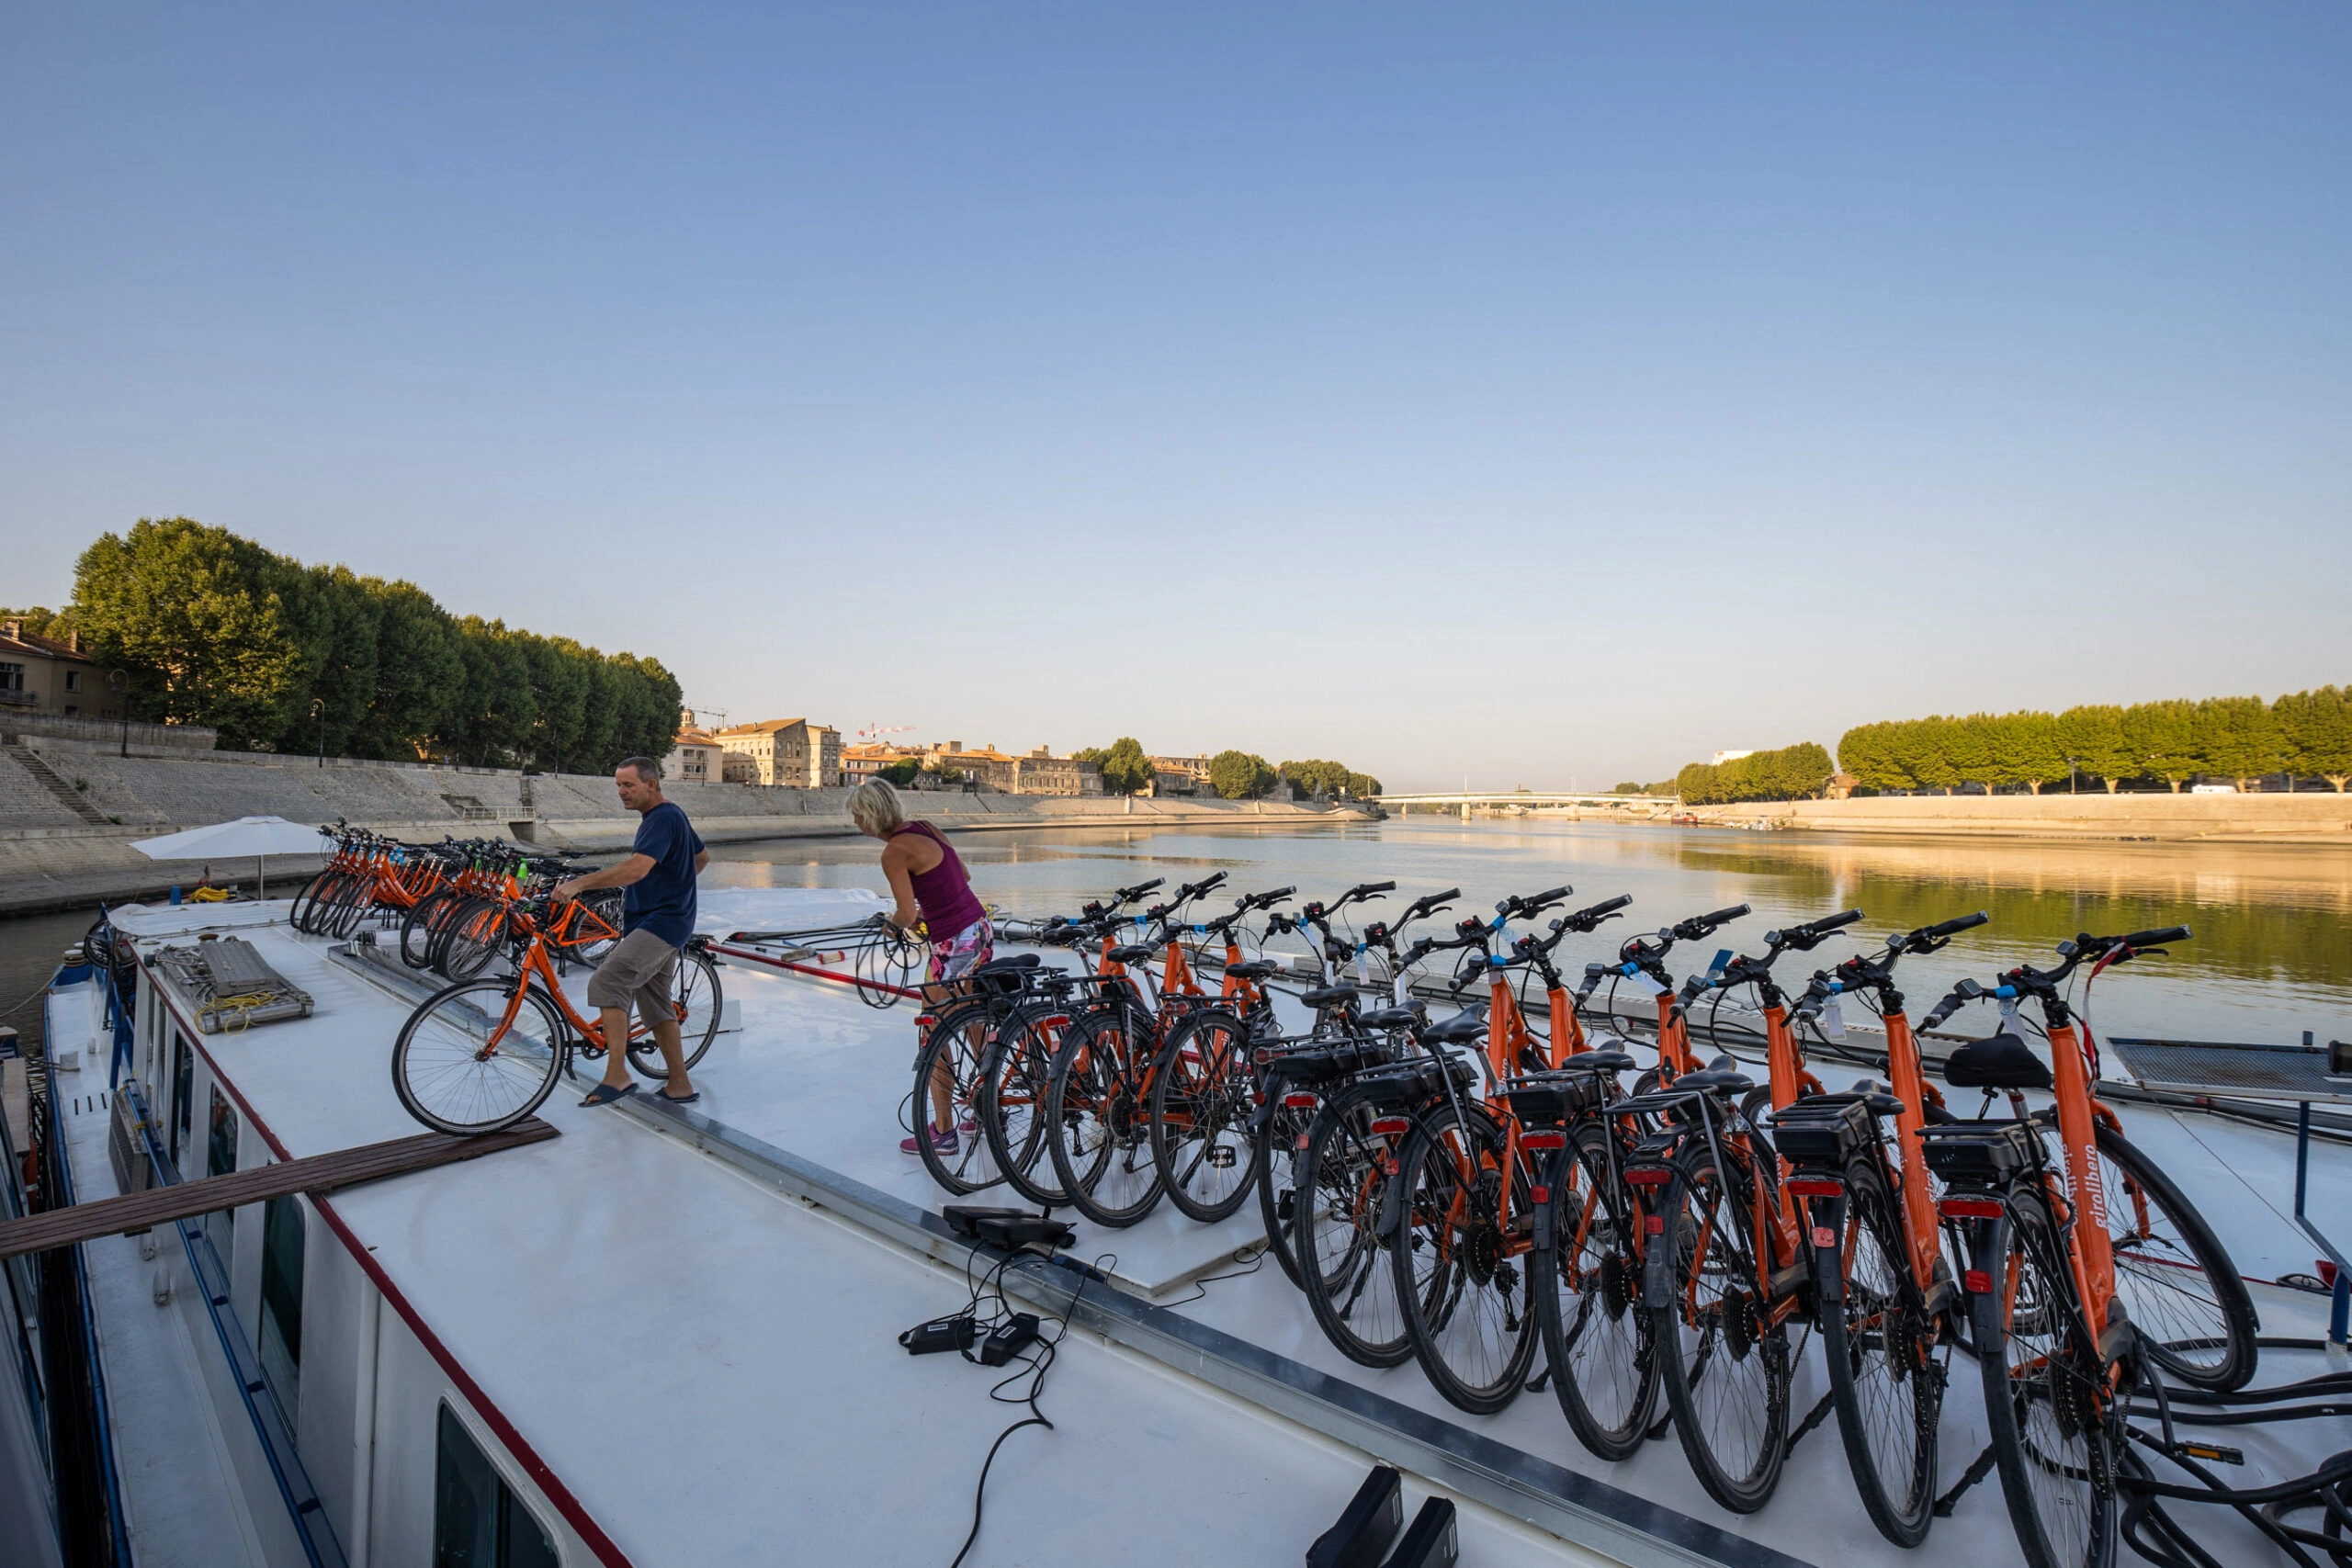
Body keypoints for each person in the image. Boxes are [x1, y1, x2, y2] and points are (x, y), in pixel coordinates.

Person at [554, 756, 707, 1107]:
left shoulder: (660, 818)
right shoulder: (673, 814)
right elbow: (702, 859)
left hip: (661, 922)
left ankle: (618, 1075)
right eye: (618, 786)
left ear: (651, 784)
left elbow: (637, 868)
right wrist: (675, 887)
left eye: (629, 785)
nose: (622, 792)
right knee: (655, 1003)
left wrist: (579, 884)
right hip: (667, 919)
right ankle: (679, 1085)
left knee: (607, 982)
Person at [847, 780, 990, 1155]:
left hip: (953, 941)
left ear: (868, 816)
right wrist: (927, 910)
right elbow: (964, 877)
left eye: (857, 815)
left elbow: (906, 913)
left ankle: (943, 1131)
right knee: (973, 1017)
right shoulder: (927, 827)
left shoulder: (893, 852)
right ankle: (988, 1106)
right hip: (979, 928)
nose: (856, 821)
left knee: (933, 1030)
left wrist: (893, 924)